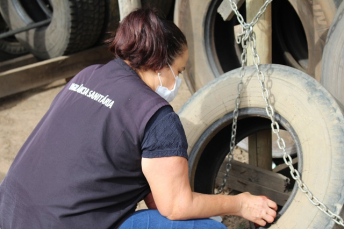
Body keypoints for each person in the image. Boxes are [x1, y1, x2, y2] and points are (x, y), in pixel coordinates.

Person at [0, 8, 277, 229]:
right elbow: (175, 206)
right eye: (178, 71)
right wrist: (239, 204)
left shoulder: (88, 75)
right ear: (160, 62)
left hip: (11, 213)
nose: (177, 80)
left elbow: (139, 181)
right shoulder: (158, 117)